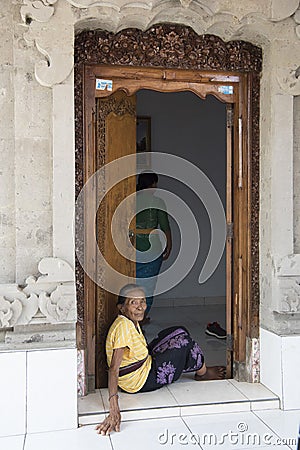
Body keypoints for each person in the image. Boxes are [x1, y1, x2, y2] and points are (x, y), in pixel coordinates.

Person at [95, 284, 226, 436]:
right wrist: (113, 408)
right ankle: (203, 372)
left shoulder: (129, 320)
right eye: (133, 303)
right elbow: (114, 369)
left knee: (179, 331)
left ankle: (197, 366)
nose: (140, 307)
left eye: (142, 301)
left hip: (145, 361)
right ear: (121, 307)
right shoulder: (123, 327)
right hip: (140, 380)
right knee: (185, 343)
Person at [132, 172, 172, 323]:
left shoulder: (130, 200)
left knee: (132, 283)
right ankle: (141, 316)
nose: (156, 187)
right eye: (155, 184)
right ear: (152, 184)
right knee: (148, 285)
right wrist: (169, 245)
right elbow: (165, 226)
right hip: (152, 248)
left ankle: (131, 316)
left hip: (132, 247)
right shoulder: (158, 202)